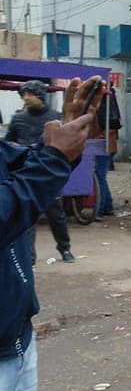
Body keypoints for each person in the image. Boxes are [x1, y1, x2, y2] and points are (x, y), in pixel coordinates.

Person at [0, 76, 101, 391]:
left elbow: (11, 162)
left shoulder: (27, 123)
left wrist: (66, 144)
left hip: (16, 337)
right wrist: (54, 157)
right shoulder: (22, 117)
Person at [4, 81, 74, 263]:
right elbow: (8, 141)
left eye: (30, 94)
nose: (26, 98)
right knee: (27, 218)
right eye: (23, 94)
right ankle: (29, 257)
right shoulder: (18, 119)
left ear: (40, 95)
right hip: (24, 173)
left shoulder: (55, 117)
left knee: (56, 215)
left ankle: (65, 248)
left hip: (47, 172)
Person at [92, 84, 122, 217]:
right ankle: (107, 206)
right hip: (107, 143)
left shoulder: (105, 104)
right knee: (101, 176)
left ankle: (99, 210)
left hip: (103, 144)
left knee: (100, 177)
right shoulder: (110, 101)